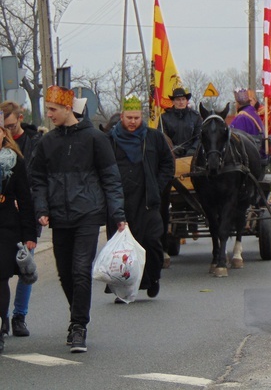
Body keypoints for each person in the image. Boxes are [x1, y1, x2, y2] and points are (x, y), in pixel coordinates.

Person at [32, 86, 126, 353]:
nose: (48, 114)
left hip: (87, 214)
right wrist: (41, 208)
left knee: (81, 270)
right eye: (47, 109)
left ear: (66, 109)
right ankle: (77, 314)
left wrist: (117, 214)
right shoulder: (47, 143)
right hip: (59, 217)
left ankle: (78, 326)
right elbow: (37, 179)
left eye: (52, 110)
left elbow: (111, 179)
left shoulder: (95, 139)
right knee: (65, 274)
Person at [108, 96, 174, 301]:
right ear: (122, 117)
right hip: (120, 203)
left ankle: (153, 278)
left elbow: (167, 164)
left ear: (141, 117)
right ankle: (123, 289)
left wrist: (157, 185)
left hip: (147, 201)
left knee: (152, 242)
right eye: (129, 117)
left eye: (136, 117)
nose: (133, 122)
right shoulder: (110, 139)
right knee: (122, 250)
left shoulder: (154, 137)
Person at [0, 101, 41, 338]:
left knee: (7, 275)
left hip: (8, 227)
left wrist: (29, 234)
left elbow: (26, 199)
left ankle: (14, 318)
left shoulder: (15, 160)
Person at [161, 87, 202, 158]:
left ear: (186, 101)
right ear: (173, 102)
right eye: (178, 100)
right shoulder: (164, 117)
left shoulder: (196, 116)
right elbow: (161, 136)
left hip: (192, 155)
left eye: (183, 99)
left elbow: (199, 136)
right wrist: (172, 148)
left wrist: (193, 148)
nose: (181, 102)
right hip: (170, 155)